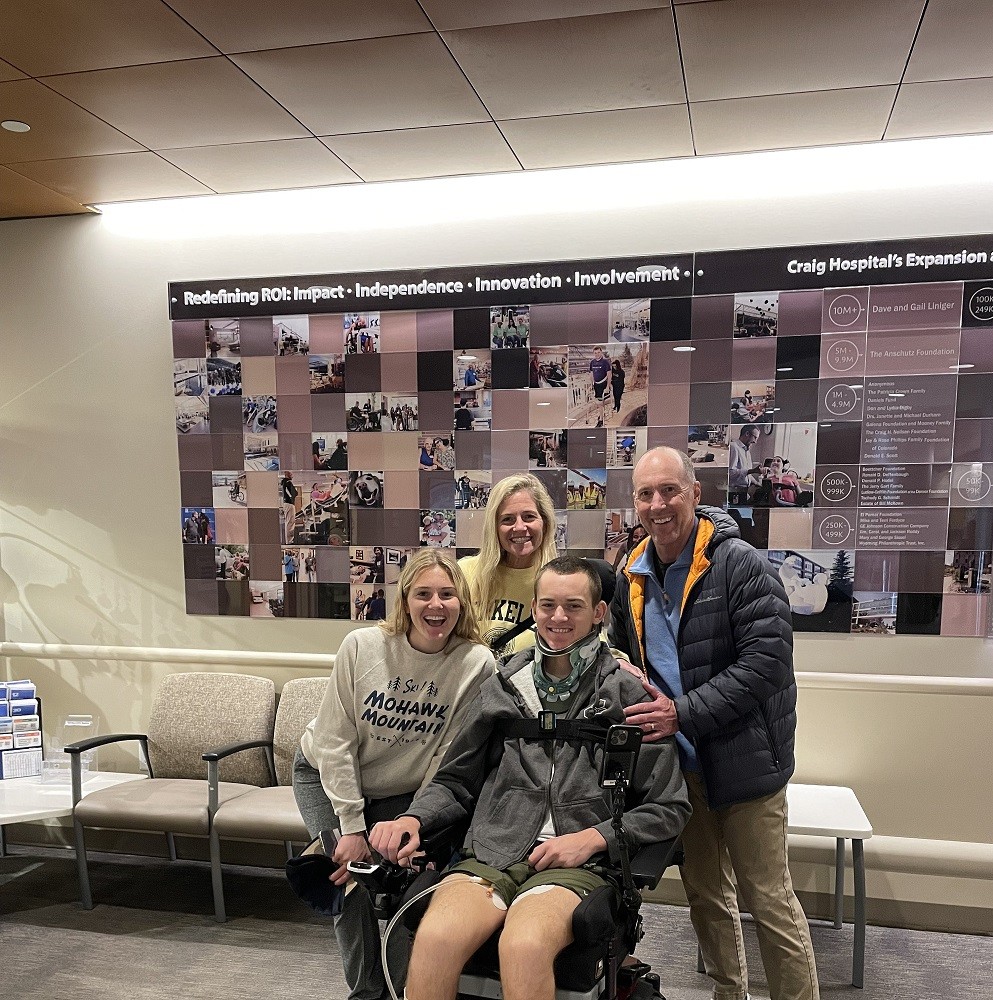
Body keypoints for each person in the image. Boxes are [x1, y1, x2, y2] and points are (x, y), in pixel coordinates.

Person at [370, 556, 690, 1000]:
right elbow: (454, 780)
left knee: (523, 945)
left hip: (580, 860)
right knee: (434, 939)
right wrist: (415, 819)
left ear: (598, 613)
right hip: (494, 847)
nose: (559, 618)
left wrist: (594, 839)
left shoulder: (626, 694)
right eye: (548, 605)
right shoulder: (503, 685)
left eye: (574, 606)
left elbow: (669, 805)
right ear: (535, 609)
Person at [609, 446, 819, 1000]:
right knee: (705, 896)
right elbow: (623, 653)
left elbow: (765, 664)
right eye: (646, 494)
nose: (659, 505)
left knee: (768, 901)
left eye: (670, 491)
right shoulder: (631, 574)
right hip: (683, 768)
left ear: (696, 494)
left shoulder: (740, 564)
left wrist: (682, 711)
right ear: (635, 502)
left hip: (747, 763)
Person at [293, 551, 494, 1000]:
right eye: (423, 594)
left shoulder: (476, 663)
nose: (435, 605)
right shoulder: (362, 646)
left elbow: (445, 758)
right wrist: (351, 828)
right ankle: (366, 994)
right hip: (326, 775)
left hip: (403, 789)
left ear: (462, 602)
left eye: (447, 594)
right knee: (350, 878)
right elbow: (335, 742)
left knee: (407, 880)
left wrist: (415, 826)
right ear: (404, 600)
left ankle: (407, 992)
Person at [458, 473, 558, 655]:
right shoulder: (464, 574)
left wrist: (616, 659)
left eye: (528, 517)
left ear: (544, 522)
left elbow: (590, 638)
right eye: (507, 519)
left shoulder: (560, 582)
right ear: (494, 527)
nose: (519, 527)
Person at [728, 424, 763, 503]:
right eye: (755, 437)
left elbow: (746, 474)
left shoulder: (746, 450)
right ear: (747, 434)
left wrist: (757, 483)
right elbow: (730, 473)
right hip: (735, 493)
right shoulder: (734, 447)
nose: (755, 441)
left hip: (743, 493)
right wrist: (752, 471)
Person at [589, 346, 610, 426]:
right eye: (595, 353)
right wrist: (591, 384)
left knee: (600, 403)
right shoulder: (592, 362)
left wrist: (608, 386)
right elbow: (591, 374)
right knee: (599, 402)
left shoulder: (605, 362)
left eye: (598, 352)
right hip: (596, 385)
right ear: (593, 354)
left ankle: (601, 420)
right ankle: (601, 414)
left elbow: (609, 374)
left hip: (603, 384)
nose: (597, 354)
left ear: (601, 352)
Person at [281, 470, 298, 544]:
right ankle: (289, 541)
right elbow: (294, 493)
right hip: (289, 504)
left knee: (289, 522)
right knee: (290, 522)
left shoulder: (284, 483)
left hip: (287, 503)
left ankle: (289, 540)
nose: (292, 475)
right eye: (291, 474)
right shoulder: (288, 483)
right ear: (287, 475)